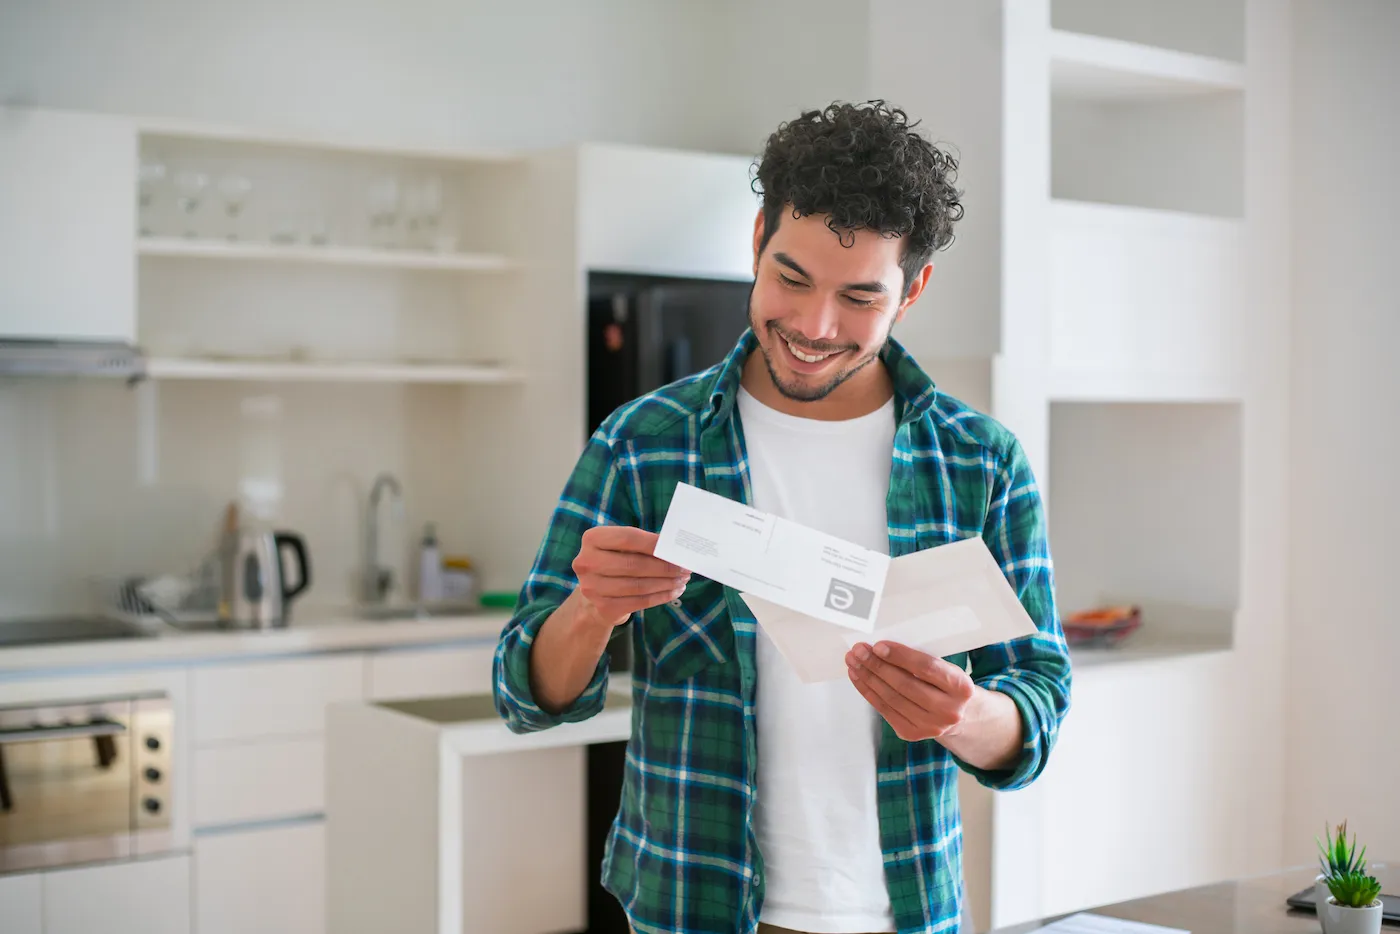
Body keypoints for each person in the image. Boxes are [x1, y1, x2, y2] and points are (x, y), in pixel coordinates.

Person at [493, 100, 1072, 934]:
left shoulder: (982, 462)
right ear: (758, 237)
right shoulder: (644, 443)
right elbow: (524, 692)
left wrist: (965, 714)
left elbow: (1040, 701)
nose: (813, 326)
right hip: (691, 906)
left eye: (860, 299)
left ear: (913, 290)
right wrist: (594, 608)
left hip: (905, 911)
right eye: (791, 279)